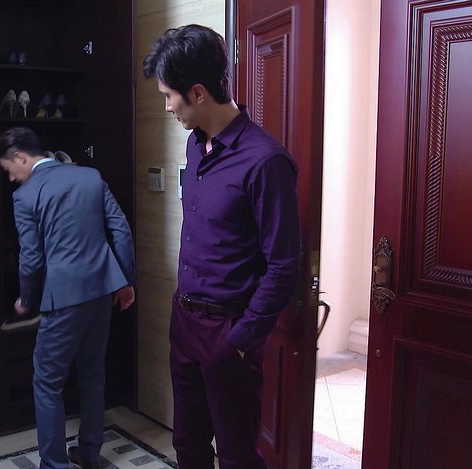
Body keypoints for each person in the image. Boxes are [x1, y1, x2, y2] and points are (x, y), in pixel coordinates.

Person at [143, 25, 301, 468]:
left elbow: (283, 265)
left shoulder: (265, 161)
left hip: (228, 332)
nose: (167, 107)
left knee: (236, 456)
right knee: (188, 446)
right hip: (185, 322)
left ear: (198, 93)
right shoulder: (196, 147)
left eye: (169, 96)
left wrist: (242, 339)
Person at [0, 127, 136, 469]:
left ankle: (54, 465)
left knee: (47, 382)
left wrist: (26, 300)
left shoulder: (26, 196)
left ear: (20, 157)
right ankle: (89, 452)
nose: (11, 179)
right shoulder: (90, 177)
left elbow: (31, 259)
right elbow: (121, 230)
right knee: (93, 373)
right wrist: (125, 282)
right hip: (102, 289)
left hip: (63, 298)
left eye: (9, 170)